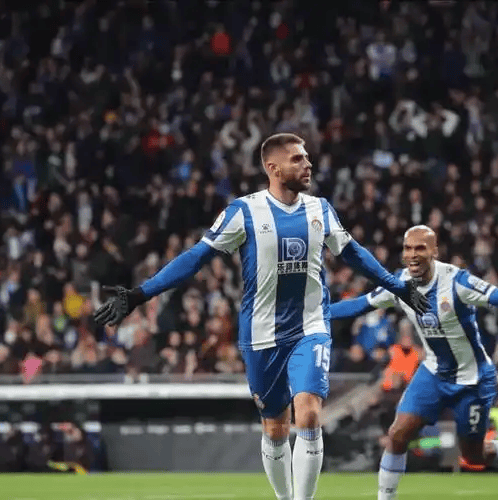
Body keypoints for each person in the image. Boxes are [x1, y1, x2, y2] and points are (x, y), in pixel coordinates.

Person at [93, 133, 428, 500]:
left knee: (309, 414)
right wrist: (141, 294)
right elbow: (195, 258)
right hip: (261, 334)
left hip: (310, 327)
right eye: (297, 159)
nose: (308, 165)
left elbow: (354, 254)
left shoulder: (320, 209)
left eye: (306, 158)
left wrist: (397, 287)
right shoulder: (243, 212)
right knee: (275, 428)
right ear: (274, 168)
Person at [329, 225, 498, 500]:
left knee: (473, 455)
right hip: (434, 373)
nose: (413, 254)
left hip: (472, 379)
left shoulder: (457, 282)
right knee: (398, 434)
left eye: (420, 248)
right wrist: (314, 315)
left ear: (434, 252)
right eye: (408, 248)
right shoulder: (400, 284)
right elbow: (360, 304)